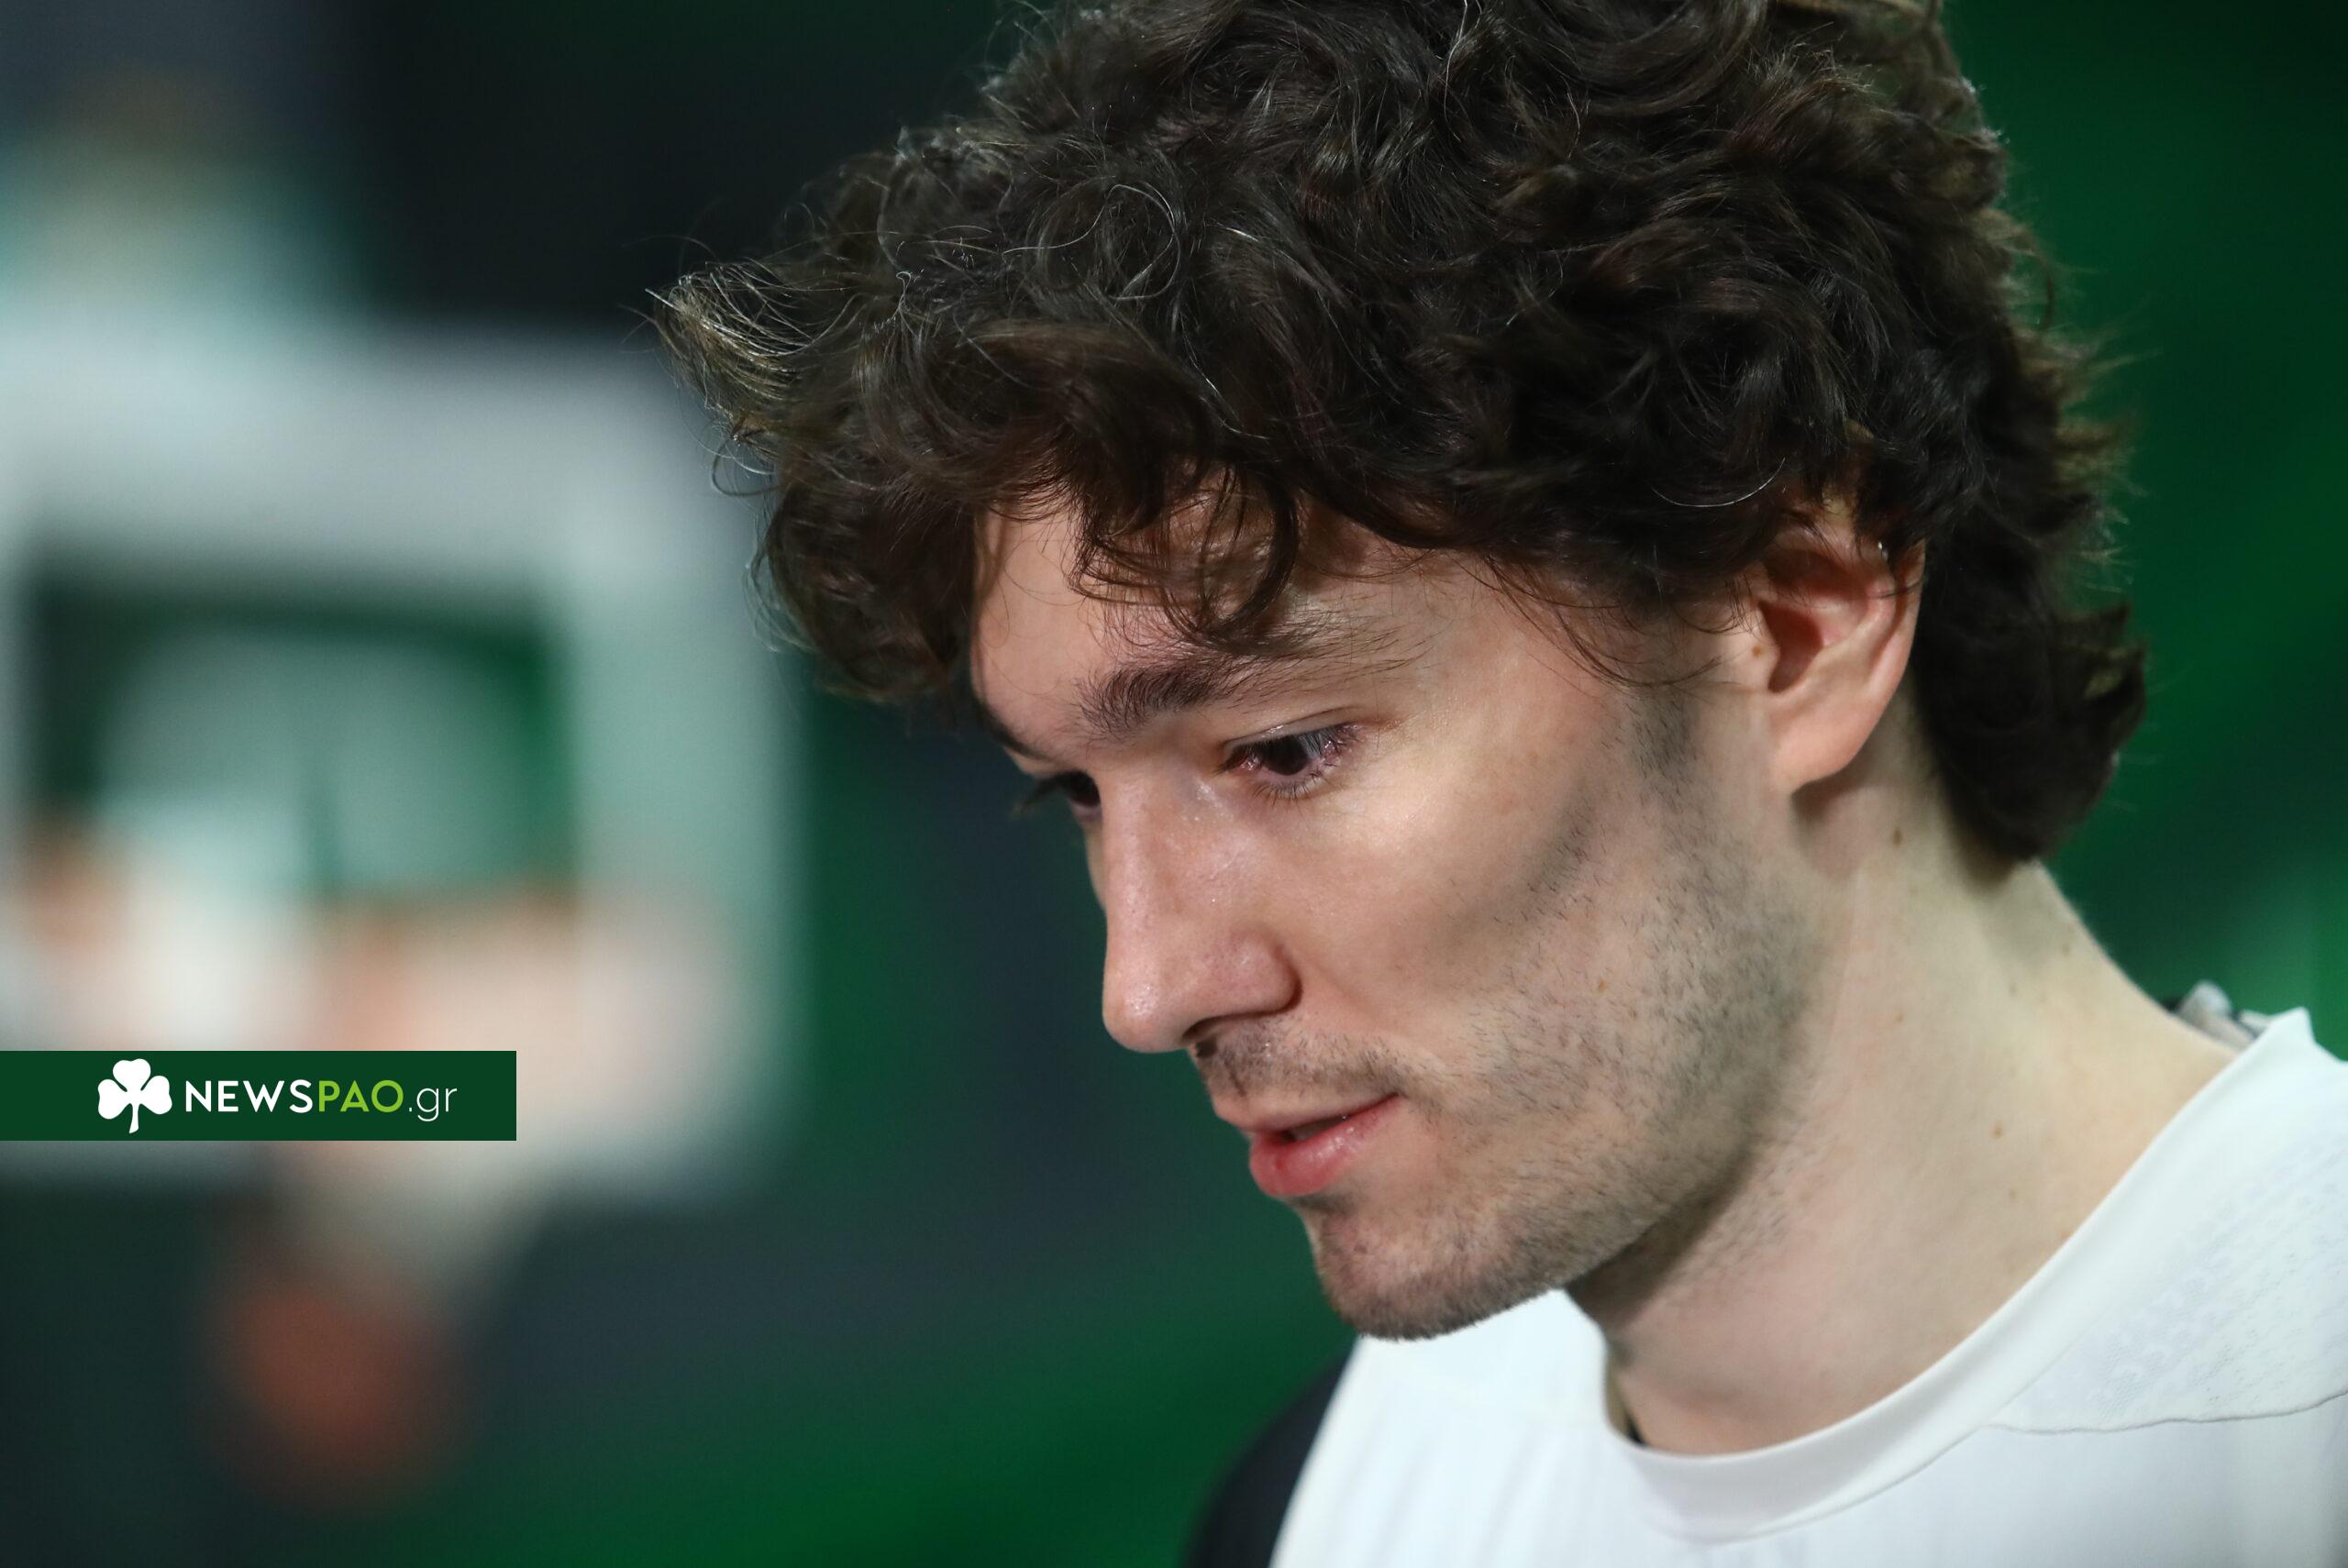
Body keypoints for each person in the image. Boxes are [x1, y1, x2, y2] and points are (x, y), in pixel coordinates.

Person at [656, 0, 2348, 1561]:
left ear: (1798, 626)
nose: (1150, 986)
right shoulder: (1321, 1511)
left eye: (1284, 749)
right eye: (1079, 795)